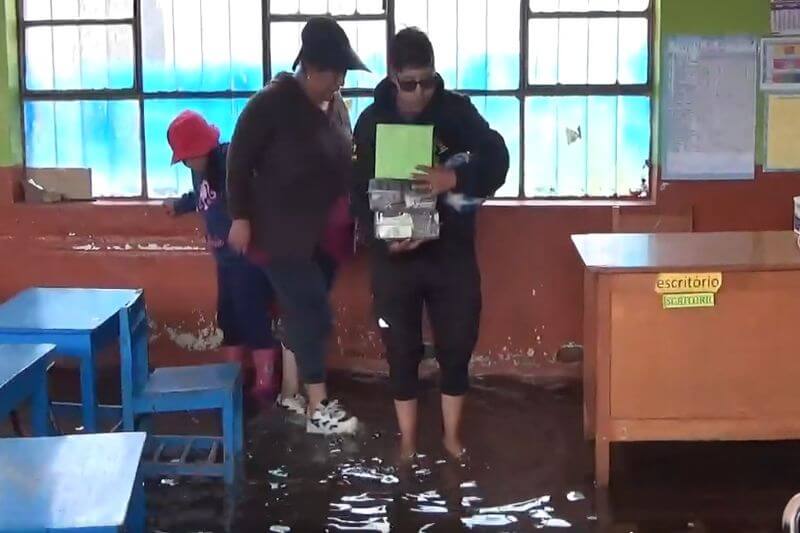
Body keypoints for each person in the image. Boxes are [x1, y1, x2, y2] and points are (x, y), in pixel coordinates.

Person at [351, 28, 509, 459]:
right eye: (409, 83)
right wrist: (382, 238)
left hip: (451, 252)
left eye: (428, 82)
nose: (420, 93)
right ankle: (407, 443)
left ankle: (451, 439)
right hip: (395, 258)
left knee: (456, 344)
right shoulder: (371, 122)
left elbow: (498, 158)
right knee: (400, 350)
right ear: (391, 75)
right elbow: (357, 192)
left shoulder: (456, 112)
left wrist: (453, 178)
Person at [226, 17, 367, 435]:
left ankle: (294, 394)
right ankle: (319, 406)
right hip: (279, 231)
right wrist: (240, 217)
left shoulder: (334, 107)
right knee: (311, 310)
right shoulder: (270, 104)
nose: (339, 81)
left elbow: (345, 161)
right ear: (310, 67)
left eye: (342, 73)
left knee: (304, 312)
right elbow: (238, 160)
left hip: (325, 235)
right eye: (333, 73)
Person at [164, 110, 281, 404]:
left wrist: (246, 225)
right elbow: (203, 198)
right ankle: (234, 376)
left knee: (252, 315)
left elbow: (255, 198)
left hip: (248, 258)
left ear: (204, 148)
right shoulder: (199, 170)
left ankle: (265, 381)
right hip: (224, 259)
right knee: (228, 317)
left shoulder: (231, 163)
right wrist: (181, 205)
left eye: (189, 157)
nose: (187, 163)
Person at [275, 92, 356, 416]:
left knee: (301, 313)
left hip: (322, 242)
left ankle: (294, 392)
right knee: (305, 315)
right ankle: (310, 402)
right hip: (311, 244)